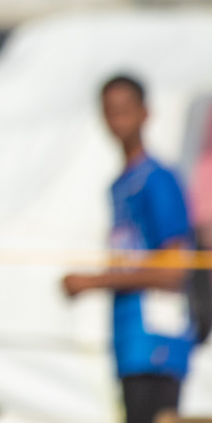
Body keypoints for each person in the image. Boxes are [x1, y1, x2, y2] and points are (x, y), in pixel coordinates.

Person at [63, 75, 196, 423]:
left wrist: (93, 282)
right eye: (111, 111)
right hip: (129, 338)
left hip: (157, 338)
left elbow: (174, 269)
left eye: (126, 109)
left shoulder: (158, 179)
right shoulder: (120, 184)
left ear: (145, 113)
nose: (119, 119)